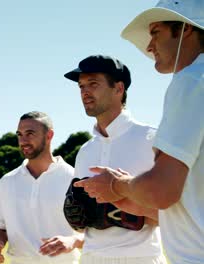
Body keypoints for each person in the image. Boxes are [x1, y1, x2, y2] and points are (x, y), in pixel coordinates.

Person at [74, 1, 204, 263]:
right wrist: (121, 198)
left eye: (155, 32)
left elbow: (161, 191)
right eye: (81, 86)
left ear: (186, 30)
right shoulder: (85, 150)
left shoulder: (191, 81)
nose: (149, 45)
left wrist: (116, 185)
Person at [64, 55, 166, 264]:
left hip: (141, 258)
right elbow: (85, 217)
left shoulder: (153, 139)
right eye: (81, 86)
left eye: (93, 84)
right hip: (91, 257)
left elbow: (179, 214)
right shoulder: (85, 150)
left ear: (118, 89)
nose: (85, 92)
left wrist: (124, 206)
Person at [0, 111, 83, 264]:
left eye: (30, 133)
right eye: (19, 134)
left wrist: (73, 241)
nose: (23, 141)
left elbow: (96, 233)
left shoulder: (74, 178)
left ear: (49, 135)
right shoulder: (6, 182)